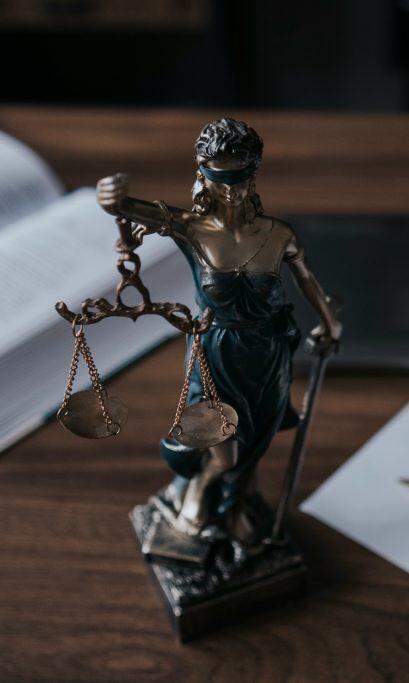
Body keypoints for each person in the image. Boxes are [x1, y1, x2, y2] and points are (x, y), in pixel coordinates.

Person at [96, 118, 341, 548]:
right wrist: (112, 200)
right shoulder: (190, 228)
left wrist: (329, 321)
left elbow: (308, 280)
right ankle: (203, 487)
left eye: (240, 178)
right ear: (202, 174)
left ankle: (237, 505)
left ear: (254, 172)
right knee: (219, 444)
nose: (230, 190)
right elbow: (130, 208)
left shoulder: (278, 233)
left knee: (256, 440)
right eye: (219, 178)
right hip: (215, 353)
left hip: (267, 353)